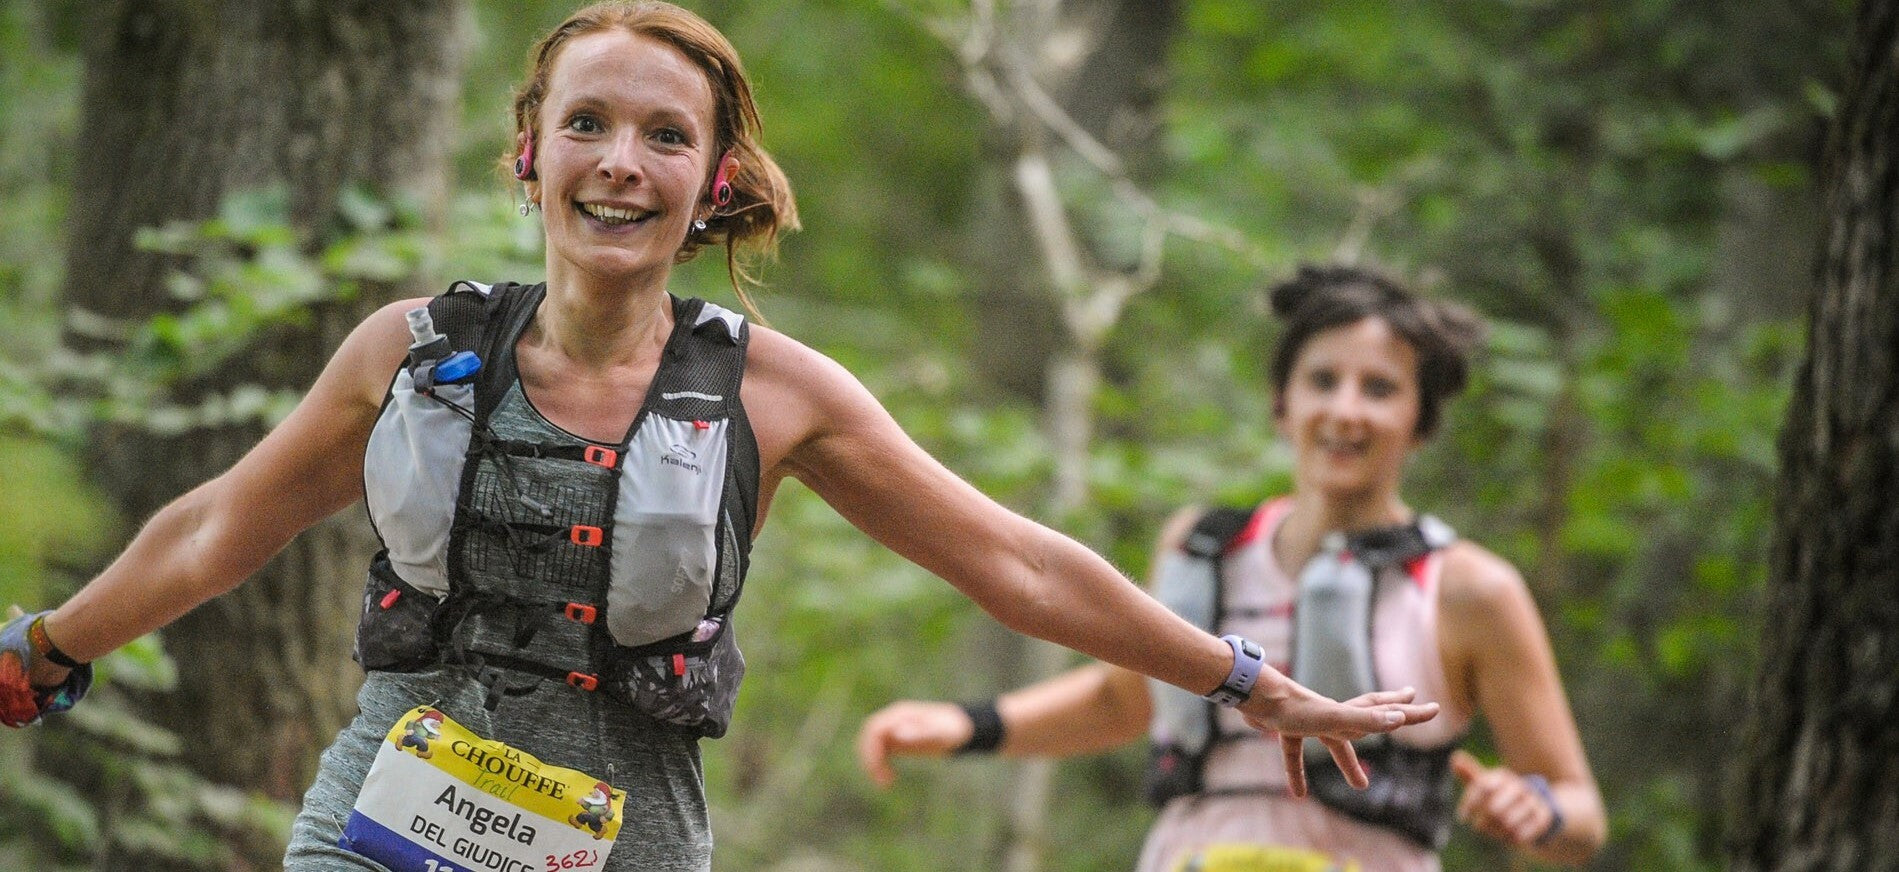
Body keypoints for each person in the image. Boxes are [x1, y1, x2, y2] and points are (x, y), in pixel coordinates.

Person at [0, 4, 1438, 871]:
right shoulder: (410, 352)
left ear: (714, 182)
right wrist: (46, 649)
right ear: (531, 154)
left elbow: (1017, 565)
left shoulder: (779, 394)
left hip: (631, 837)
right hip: (384, 823)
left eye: (664, 138)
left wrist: (1244, 680)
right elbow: (214, 526)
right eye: (586, 126)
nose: (620, 163)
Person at [857, 265, 1608, 871]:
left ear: (1420, 420)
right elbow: (1129, 700)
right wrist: (965, 725)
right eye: (1323, 381)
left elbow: (1580, 815)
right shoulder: (1201, 548)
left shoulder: (1471, 589)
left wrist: (1535, 808)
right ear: (1282, 403)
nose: (1346, 410)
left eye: (1379, 389)